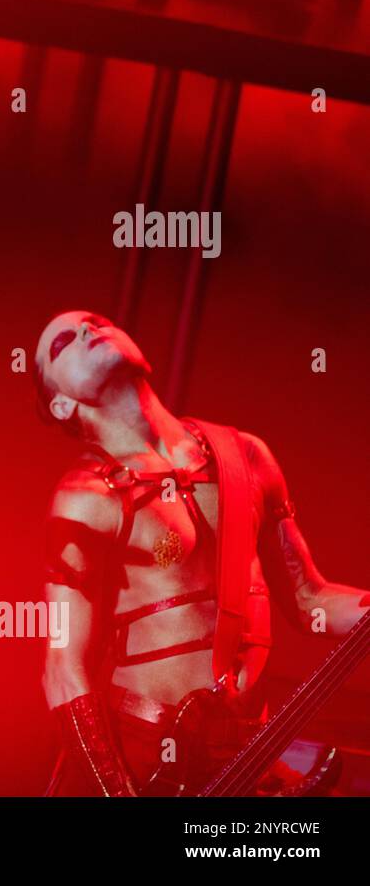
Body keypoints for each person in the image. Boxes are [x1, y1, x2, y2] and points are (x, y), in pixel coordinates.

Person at [32, 310, 369, 795]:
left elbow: (310, 601)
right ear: (62, 405)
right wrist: (114, 792)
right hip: (142, 756)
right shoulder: (85, 497)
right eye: (64, 341)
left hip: (247, 756)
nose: (88, 329)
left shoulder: (246, 456)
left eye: (96, 320)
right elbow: (64, 671)